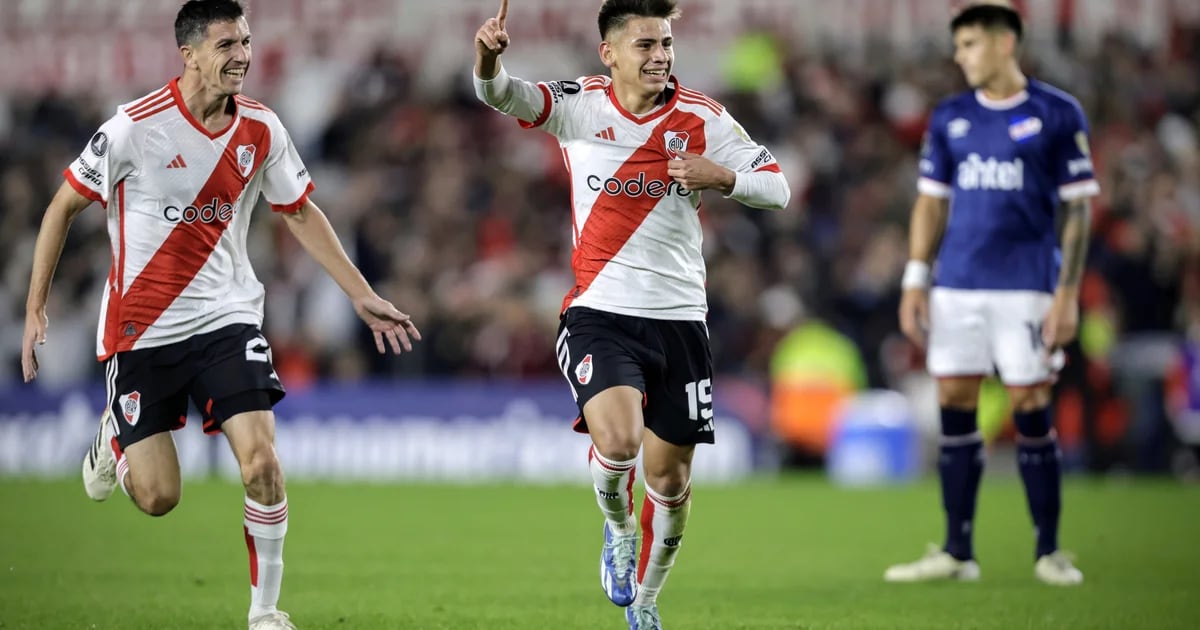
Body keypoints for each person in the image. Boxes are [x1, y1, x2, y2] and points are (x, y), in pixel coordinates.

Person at [20, 2, 421, 628]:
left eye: (247, 41)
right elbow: (62, 206)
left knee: (262, 463)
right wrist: (35, 304)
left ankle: (265, 613)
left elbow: (298, 212)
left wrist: (357, 291)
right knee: (158, 498)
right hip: (141, 330)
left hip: (226, 320)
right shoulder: (133, 128)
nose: (242, 55)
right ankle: (116, 438)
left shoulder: (262, 128)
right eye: (227, 43)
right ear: (189, 54)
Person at [473, 1, 790, 627]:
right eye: (645, 45)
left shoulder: (702, 118)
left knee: (669, 482)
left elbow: (776, 185)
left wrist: (722, 175)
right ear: (609, 54)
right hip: (600, 312)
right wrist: (488, 56)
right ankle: (617, 528)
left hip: (680, 322)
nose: (661, 56)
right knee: (616, 442)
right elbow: (500, 95)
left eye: (666, 43)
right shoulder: (579, 106)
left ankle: (645, 603)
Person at [885, 2, 1095, 586]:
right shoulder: (950, 116)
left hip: (1028, 285)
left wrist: (1067, 293)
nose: (960, 56)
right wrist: (915, 278)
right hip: (956, 285)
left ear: (1006, 44)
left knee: (1030, 405)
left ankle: (1049, 551)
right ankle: (957, 552)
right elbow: (931, 201)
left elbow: (1078, 208)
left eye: (970, 44)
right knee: (955, 399)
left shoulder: (1056, 113)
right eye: (959, 46)